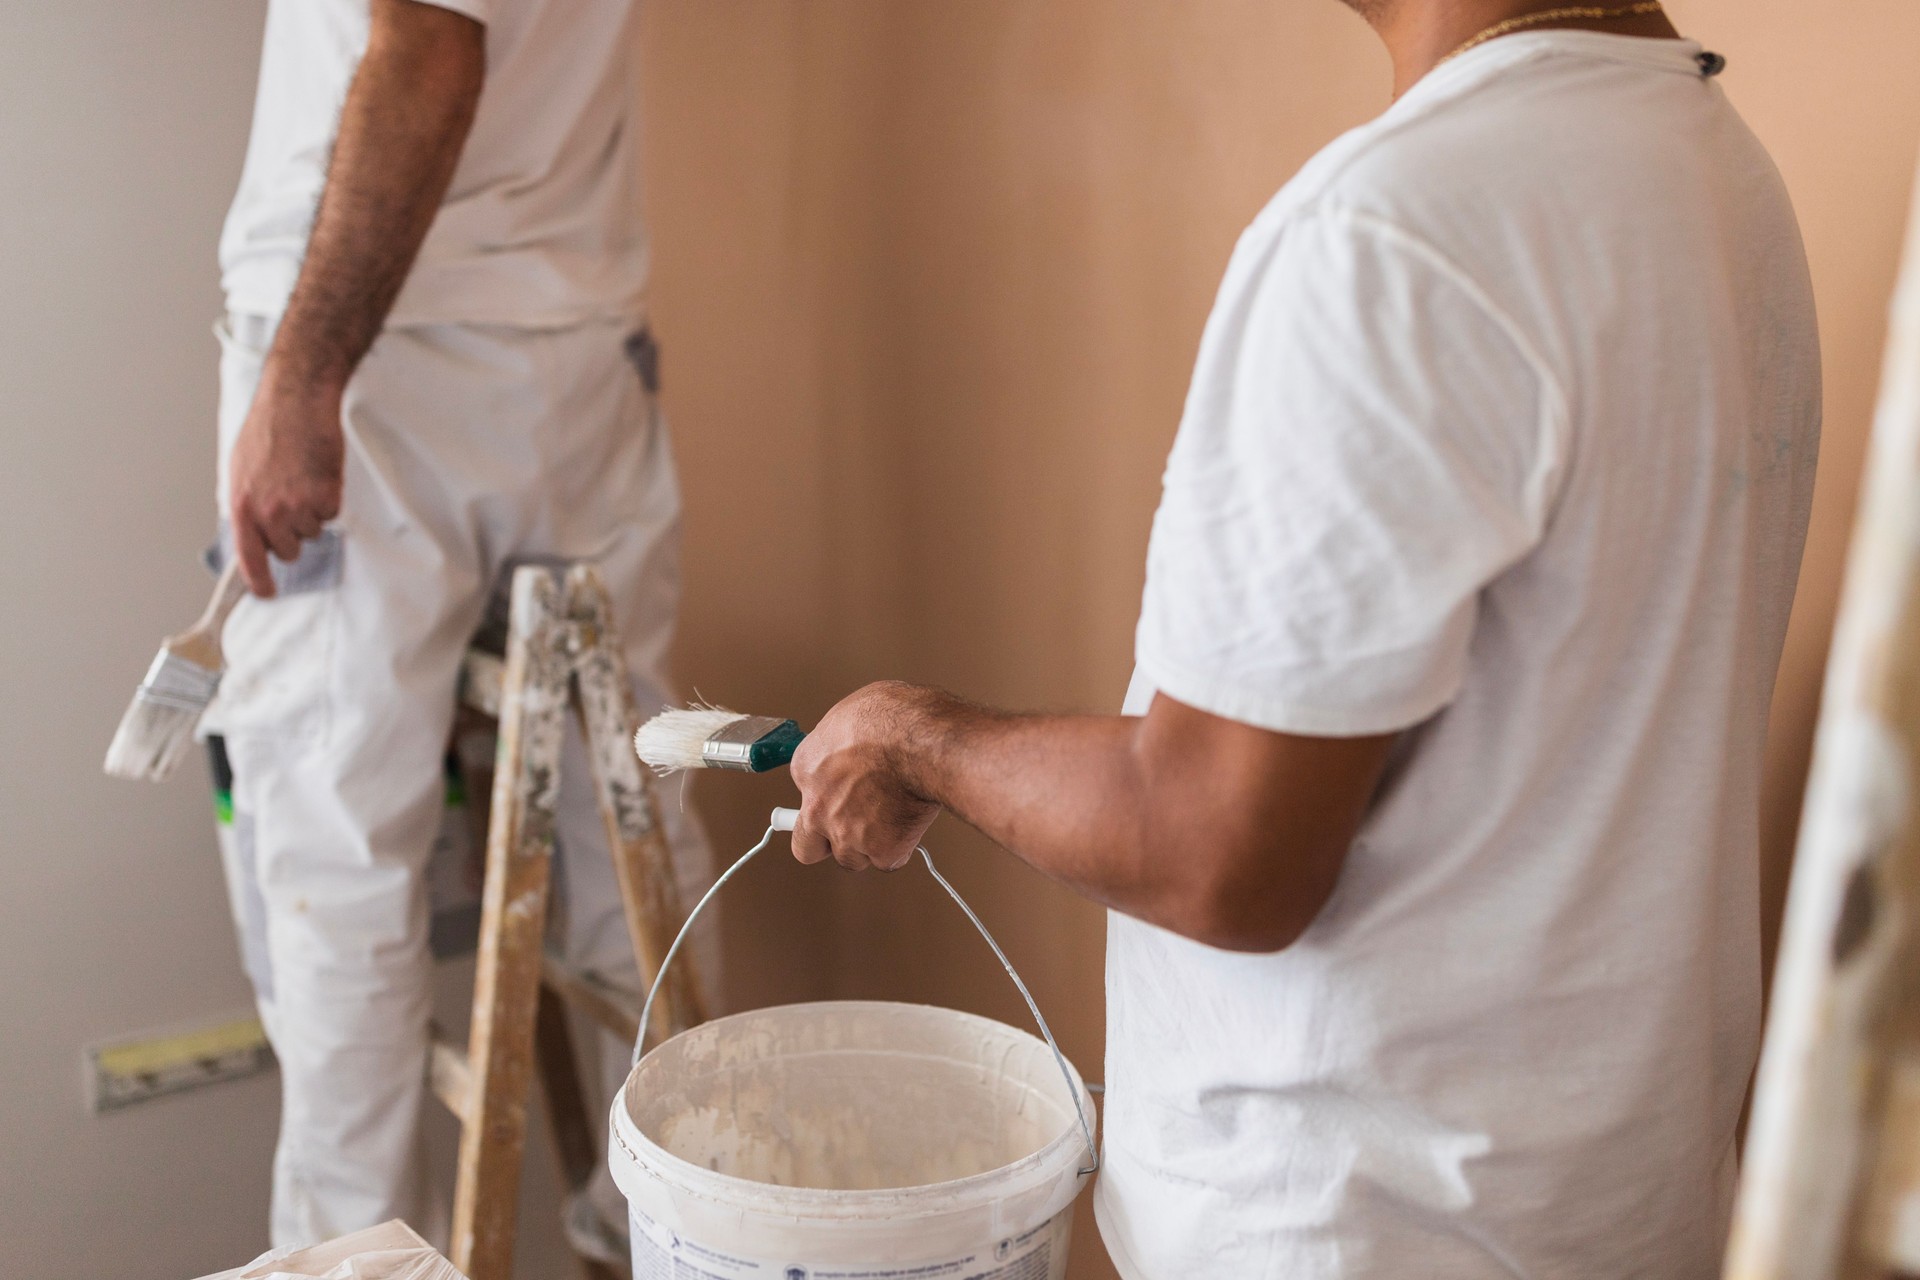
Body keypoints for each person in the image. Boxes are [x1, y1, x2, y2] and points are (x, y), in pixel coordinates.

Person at [783, 2, 1820, 1276]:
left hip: (1355, 1228)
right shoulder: (1710, 164)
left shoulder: (1389, 231)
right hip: (1612, 1211)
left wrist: (917, 739)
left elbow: (1220, 845)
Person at [201, 0, 709, 1257]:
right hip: (573, 347)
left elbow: (431, 41)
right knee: (625, 801)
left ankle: (357, 1263)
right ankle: (684, 1226)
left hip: (388, 370)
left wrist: (306, 380)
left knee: (329, 841)